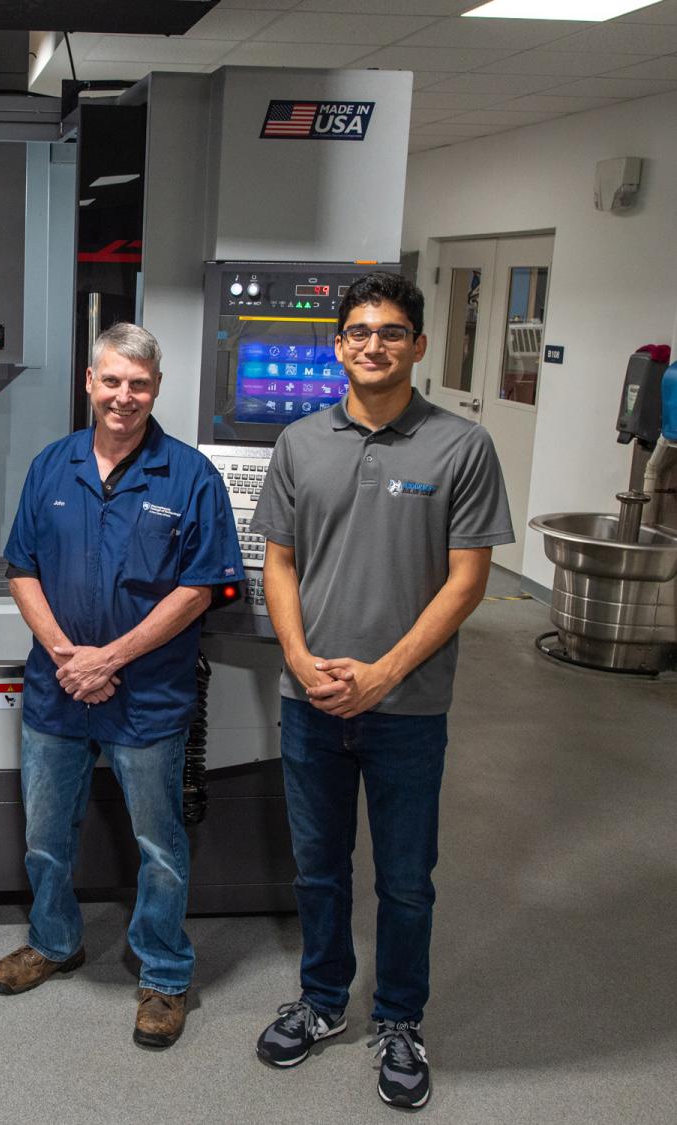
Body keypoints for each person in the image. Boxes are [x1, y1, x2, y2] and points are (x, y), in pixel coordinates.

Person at [248, 272, 513, 1109]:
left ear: (418, 345)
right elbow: (279, 561)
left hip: (407, 708)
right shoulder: (300, 442)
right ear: (338, 346)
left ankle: (399, 1018)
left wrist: (386, 671)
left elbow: (467, 580)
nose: (374, 344)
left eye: (392, 331)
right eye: (359, 331)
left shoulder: (461, 447)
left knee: (405, 878)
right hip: (313, 703)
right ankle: (324, 999)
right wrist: (299, 659)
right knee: (319, 869)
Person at [0, 322, 244, 1051]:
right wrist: (69, 656)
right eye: (111, 381)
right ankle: (53, 939)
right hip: (58, 689)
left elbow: (200, 588)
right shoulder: (53, 465)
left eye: (138, 384)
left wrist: (112, 660)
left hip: (149, 696)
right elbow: (22, 568)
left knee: (159, 844)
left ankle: (164, 972)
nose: (123, 396)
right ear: (89, 383)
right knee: (45, 836)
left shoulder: (190, 476)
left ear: (155, 389)